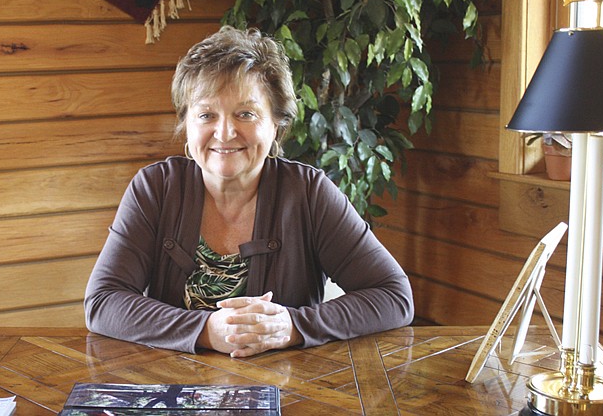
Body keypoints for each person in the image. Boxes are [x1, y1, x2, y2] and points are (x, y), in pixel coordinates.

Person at [84, 26, 414, 358]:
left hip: (290, 392)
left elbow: (394, 296)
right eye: (206, 115)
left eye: (246, 114)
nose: (225, 133)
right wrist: (205, 331)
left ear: (277, 125)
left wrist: (293, 326)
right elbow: (103, 302)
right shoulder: (155, 188)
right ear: (187, 124)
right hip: (173, 389)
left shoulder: (309, 193)